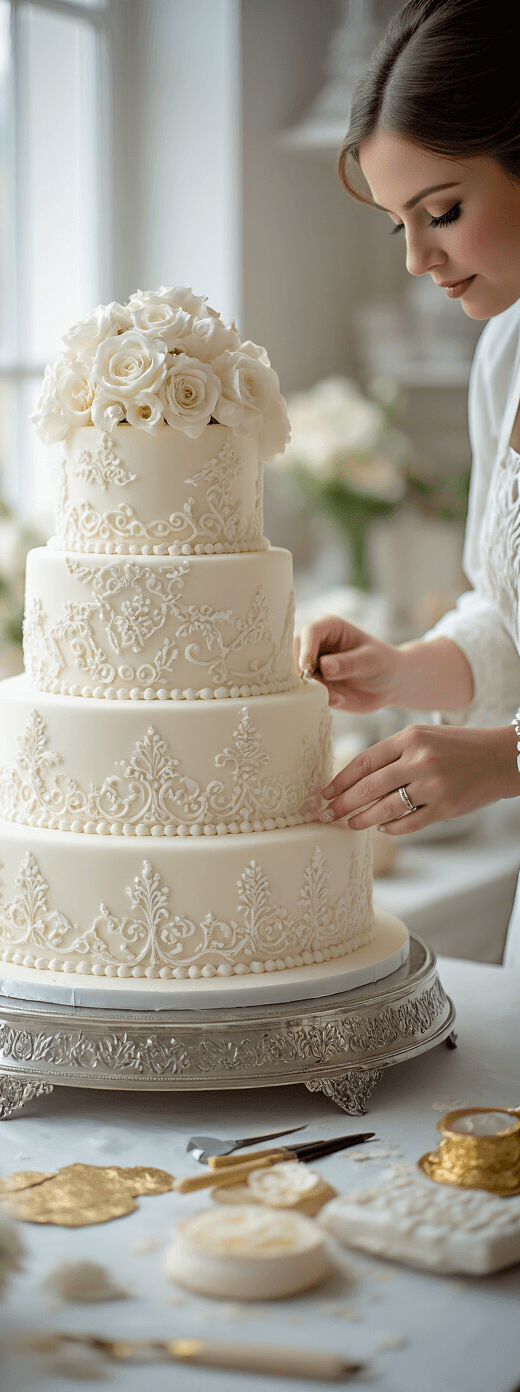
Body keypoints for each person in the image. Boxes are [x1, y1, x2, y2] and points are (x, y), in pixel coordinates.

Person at [294, 0, 520, 965]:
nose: (418, 260)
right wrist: (399, 669)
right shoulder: (505, 353)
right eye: (399, 223)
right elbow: (507, 621)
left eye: (442, 212)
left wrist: (507, 759)